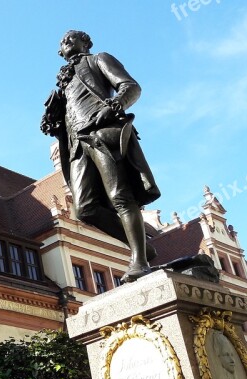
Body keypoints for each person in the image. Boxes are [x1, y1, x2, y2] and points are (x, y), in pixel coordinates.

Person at [41, 30, 160, 283]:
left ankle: (139, 260)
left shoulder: (98, 60)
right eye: (62, 42)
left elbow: (130, 87)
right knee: (85, 209)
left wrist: (113, 107)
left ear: (86, 42)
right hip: (76, 146)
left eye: (71, 38)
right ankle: (141, 246)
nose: (66, 42)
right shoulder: (63, 84)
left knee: (120, 196)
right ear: (60, 52)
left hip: (100, 133)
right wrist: (53, 120)